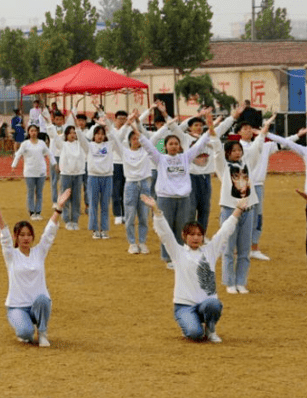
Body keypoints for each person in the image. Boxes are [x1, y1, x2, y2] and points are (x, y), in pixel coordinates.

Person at [142, 194, 249, 342]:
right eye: (191, 234)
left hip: (206, 303)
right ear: (184, 236)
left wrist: (238, 210)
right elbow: (165, 233)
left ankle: (210, 329)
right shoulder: (177, 252)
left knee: (214, 304)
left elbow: (225, 231)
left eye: (199, 234)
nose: (196, 238)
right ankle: (192, 325)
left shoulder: (210, 251)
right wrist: (156, 209)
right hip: (184, 306)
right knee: (195, 334)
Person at [0, 189, 72, 347]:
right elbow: (5, 238)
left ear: (32, 236)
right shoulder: (11, 255)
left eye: (28, 235)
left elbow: (49, 234)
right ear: (16, 237)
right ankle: (26, 329)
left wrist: (59, 208)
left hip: (37, 305)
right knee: (26, 334)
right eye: (21, 235)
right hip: (17, 307)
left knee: (43, 299)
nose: (26, 238)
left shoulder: (39, 252)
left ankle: (42, 332)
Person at [135, 108, 213, 268]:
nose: (174, 146)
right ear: (165, 146)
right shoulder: (160, 159)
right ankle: (168, 258)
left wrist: (211, 127)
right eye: (170, 144)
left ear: (179, 146)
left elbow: (199, 146)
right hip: (165, 198)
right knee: (166, 229)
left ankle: (180, 257)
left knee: (181, 229)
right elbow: (148, 145)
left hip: (183, 198)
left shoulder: (186, 157)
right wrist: (134, 128)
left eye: (176, 144)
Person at [212, 114, 272, 294]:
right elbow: (216, 150)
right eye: (234, 151)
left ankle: (241, 281)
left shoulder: (247, 163)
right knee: (229, 248)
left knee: (244, 250)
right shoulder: (223, 167)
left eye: (239, 150)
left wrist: (264, 129)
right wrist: (212, 129)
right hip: (230, 210)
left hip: (249, 209)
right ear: (228, 153)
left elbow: (257, 145)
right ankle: (230, 282)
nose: (238, 153)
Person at [106, 112, 154, 253]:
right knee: (130, 215)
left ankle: (143, 242)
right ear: (129, 140)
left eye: (138, 138)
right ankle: (132, 243)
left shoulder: (146, 151)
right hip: (131, 185)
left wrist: (137, 125)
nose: (136, 140)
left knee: (144, 216)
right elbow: (115, 139)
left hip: (144, 184)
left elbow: (155, 138)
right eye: (133, 138)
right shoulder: (124, 151)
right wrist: (126, 125)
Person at [78, 121, 114, 239]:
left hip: (107, 177)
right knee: (93, 204)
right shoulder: (89, 146)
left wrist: (106, 125)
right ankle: (94, 230)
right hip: (93, 177)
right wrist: (75, 122)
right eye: (97, 134)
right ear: (93, 135)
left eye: (102, 134)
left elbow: (117, 135)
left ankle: (104, 230)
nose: (100, 136)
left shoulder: (109, 145)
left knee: (105, 205)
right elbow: (80, 136)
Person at [10, 124, 54, 221]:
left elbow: (49, 153)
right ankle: (31, 212)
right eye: (31, 131)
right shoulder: (25, 144)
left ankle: (38, 212)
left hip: (41, 172)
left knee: (39, 193)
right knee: (30, 192)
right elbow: (18, 155)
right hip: (29, 172)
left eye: (35, 131)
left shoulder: (42, 143)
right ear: (29, 132)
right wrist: (13, 166)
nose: (33, 133)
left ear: (37, 132)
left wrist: (54, 163)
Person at [48, 122, 85, 231]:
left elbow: (82, 138)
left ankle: (75, 220)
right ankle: (67, 221)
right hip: (66, 175)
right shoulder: (63, 144)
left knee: (76, 199)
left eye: (74, 133)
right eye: (70, 133)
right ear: (66, 135)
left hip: (78, 174)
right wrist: (48, 123)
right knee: (65, 199)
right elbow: (54, 135)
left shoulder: (80, 144)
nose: (72, 135)